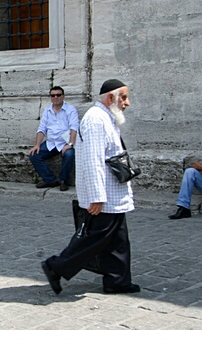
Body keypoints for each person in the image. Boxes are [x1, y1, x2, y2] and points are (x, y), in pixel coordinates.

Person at [41, 79, 140, 295]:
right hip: (104, 195)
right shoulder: (96, 119)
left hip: (112, 192)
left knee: (117, 239)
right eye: (123, 97)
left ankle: (117, 280)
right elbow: (93, 160)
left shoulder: (106, 117)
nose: (127, 103)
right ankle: (56, 266)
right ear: (110, 97)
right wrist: (96, 196)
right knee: (95, 237)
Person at [29, 86, 79, 190]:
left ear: (63, 96)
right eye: (53, 95)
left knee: (69, 155)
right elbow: (41, 129)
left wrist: (70, 144)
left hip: (65, 142)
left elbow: (74, 127)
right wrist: (37, 145)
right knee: (34, 155)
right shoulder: (47, 111)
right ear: (51, 97)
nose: (56, 97)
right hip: (51, 142)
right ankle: (50, 180)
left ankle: (63, 180)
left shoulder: (70, 110)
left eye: (58, 95)